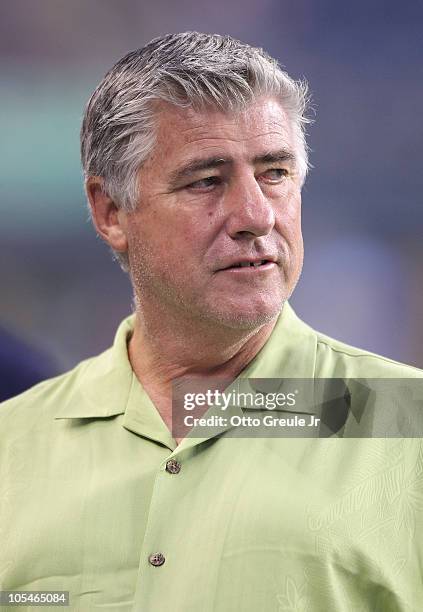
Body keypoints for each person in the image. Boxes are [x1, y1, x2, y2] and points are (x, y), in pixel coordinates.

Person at [1, 32, 422, 612]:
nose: (255, 215)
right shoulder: (13, 444)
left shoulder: (408, 425)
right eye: (206, 181)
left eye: (275, 173)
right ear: (110, 211)